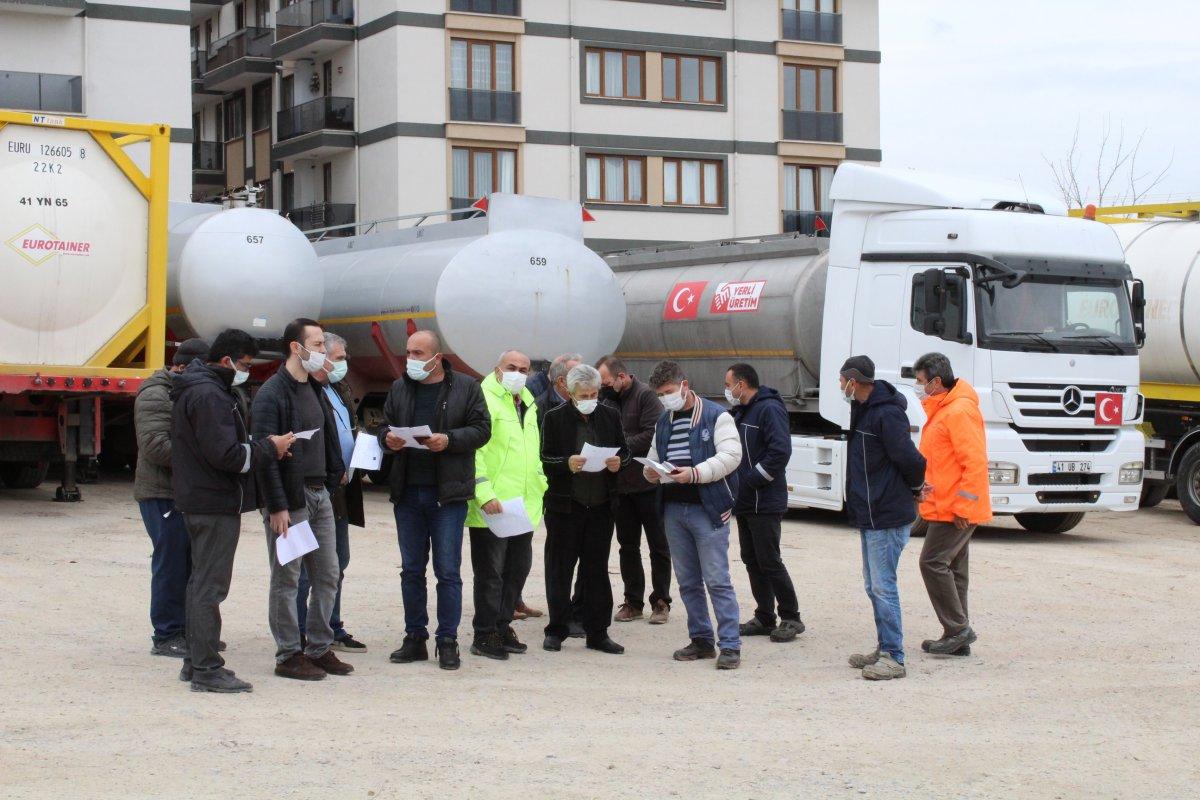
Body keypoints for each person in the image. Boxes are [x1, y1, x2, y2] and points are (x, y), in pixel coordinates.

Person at [171, 329, 294, 693]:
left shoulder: (200, 388)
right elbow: (227, 455)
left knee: (199, 584)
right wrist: (269, 448)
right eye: (243, 365)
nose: (246, 372)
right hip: (213, 502)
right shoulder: (210, 395)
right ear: (226, 361)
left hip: (201, 499)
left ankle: (195, 662)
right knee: (210, 587)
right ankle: (207, 668)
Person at [379, 330, 490, 671]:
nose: (411, 358)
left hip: (448, 495)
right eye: (408, 352)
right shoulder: (400, 387)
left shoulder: (467, 387)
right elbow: (383, 427)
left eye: (418, 352)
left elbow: (483, 429)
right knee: (411, 570)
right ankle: (415, 638)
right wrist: (389, 440)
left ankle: (448, 640)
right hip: (408, 493)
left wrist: (450, 440)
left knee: (448, 571)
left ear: (437, 357)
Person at [252, 318, 354, 682]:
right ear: (297, 348)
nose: (323, 352)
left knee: (328, 573)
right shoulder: (271, 393)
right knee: (288, 578)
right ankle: (288, 654)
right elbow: (264, 456)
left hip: (319, 494)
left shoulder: (316, 388)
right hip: (290, 502)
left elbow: (327, 437)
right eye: (317, 344)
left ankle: (319, 647)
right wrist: (276, 506)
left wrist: (334, 474)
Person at [643, 361, 743, 670]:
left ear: (684, 385)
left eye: (669, 392)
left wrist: (695, 473)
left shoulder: (717, 416)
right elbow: (654, 457)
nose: (665, 398)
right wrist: (650, 472)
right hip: (674, 509)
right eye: (660, 394)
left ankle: (730, 645)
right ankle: (701, 640)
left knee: (717, 579)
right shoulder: (664, 421)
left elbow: (731, 456)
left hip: (707, 508)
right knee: (687, 581)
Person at [839, 356, 927, 681]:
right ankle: (884, 647)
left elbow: (911, 459)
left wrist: (916, 487)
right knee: (873, 584)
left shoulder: (886, 413)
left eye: (841, 380)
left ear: (853, 380)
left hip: (887, 513)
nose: (840, 387)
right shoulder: (862, 410)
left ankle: (894, 656)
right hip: (870, 512)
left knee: (883, 585)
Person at [539, 364, 628, 655]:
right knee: (559, 570)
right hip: (565, 506)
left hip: (601, 506)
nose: (589, 399)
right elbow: (543, 459)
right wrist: (566, 463)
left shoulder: (610, 415)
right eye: (583, 395)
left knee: (596, 571)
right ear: (569, 393)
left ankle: (598, 633)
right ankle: (556, 629)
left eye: (593, 394)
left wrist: (619, 463)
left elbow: (623, 451)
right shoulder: (554, 418)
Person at [465, 350, 547, 660]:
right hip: (494, 505)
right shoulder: (483, 397)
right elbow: (476, 451)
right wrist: (484, 493)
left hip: (523, 504)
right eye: (511, 367)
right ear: (497, 369)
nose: (518, 373)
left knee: (517, 569)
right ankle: (485, 633)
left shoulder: (526, 400)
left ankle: (502, 625)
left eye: (523, 369)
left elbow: (532, 449)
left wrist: (540, 481)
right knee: (490, 574)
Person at [134, 336, 208, 658]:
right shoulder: (155, 393)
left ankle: (190, 630)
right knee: (171, 562)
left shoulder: (184, 391)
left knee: (192, 563)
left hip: (185, 492)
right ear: (181, 366)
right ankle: (166, 634)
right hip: (162, 494)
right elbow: (155, 446)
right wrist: (206, 455)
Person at [914, 351, 990, 657]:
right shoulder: (945, 408)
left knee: (931, 563)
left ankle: (958, 629)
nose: (918, 387)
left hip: (954, 509)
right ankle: (957, 634)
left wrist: (964, 507)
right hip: (947, 504)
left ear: (935, 381)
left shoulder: (957, 411)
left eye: (920, 381)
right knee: (954, 569)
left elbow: (974, 463)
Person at [295, 331, 367, 653]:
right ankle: (299, 631)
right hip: (314, 490)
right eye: (337, 358)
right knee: (307, 569)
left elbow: (346, 428)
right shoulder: (305, 392)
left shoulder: (338, 389)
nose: (342, 364)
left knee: (338, 561)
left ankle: (331, 626)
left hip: (341, 490)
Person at [725, 363, 805, 644]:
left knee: (769, 560)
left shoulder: (769, 409)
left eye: (729, 384)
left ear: (742, 384)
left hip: (765, 500)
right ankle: (764, 616)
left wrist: (751, 479)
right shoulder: (742, 411)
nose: (727, 390)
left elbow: (780, 451)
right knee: (751, 559)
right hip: (745, 501)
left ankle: (791, 617)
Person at [597, 355, 672, 625]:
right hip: (620, 487)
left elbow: (653, 433)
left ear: (621, 376)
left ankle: (661, 601)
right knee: (627, 546)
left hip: (647, 484)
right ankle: (633, 601)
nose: (604, 386)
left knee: (658, 546)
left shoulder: (645, 396)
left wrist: (620, 445)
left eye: (607, 381)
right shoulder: (607, 398)